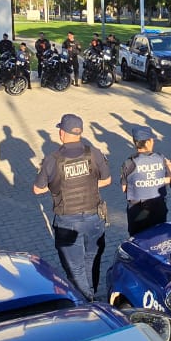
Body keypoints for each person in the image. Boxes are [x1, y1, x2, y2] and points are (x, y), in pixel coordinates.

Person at [32, 114, 111, 300]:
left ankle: (87, 300)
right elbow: (107, 180)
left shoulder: (52, 159)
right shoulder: (94, 153)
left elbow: (37, 189)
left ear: (62, 133)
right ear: (80, 133)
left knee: (75, 267)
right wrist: (88, 186)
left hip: (67, 220)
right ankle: (91, 293)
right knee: (92, 259)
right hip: (94, 217)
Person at [119, 127, 171, 236]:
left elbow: (124, 188)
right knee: (159, 237)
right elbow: (168, 180)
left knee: (138, 239)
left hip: (137, 210)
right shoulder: (161, 158)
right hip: (158, 208)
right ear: (148, 142)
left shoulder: (129, 163)